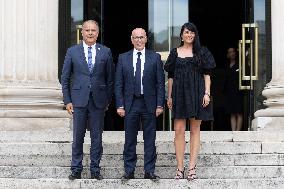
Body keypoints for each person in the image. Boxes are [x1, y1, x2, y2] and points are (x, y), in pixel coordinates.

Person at [61, 20, 114, 180]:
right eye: (87, 30)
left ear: (98, 33)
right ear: (82, 32)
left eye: (93, 30)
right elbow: (65, 78)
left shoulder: (106, 52)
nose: (90, 33)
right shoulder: (72, 51)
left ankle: (95, 169)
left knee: (97, 137)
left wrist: (107, 100)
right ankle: (76, 169)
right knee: (78, 137)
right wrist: (67, 100)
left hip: (98, 101)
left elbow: (110, 79)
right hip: (78, 100)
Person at [164, 22, 215, 181]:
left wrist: (207, 93)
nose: (189, 35)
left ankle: (192, 167)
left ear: (195, 35)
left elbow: (207, 75)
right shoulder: (174, 53)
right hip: (179, 94)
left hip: (197, 93)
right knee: (178, 130)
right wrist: (169, 96)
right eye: (186, 32)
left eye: (192, 32)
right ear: (181, 35)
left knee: (195, 130)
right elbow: (170, 77)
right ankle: (180, 168)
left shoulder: (202, 52)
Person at [115, 28, 165, 181]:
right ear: (131, 39)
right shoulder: (123, 58)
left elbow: (160, 83)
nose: (138, 40)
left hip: (149, 103)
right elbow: (118, 84)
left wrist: (159, 105)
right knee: (130, 139)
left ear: (146, 39)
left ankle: (149, 171)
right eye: (136, 38)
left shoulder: (155, 57)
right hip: (130, 104)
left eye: (141, 37)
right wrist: (120, 105)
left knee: (150, 139)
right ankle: (129, 171)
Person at [223, 47, 243, 131]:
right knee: (232, 113)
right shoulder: (226, 66)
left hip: (239, 91)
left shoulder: (240, 64)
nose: (232, 53)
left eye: (233, 51)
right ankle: (233, 131)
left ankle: (238, 132)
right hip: (230, 92)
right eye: (230, 52)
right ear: (227, 55)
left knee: (239, 112)